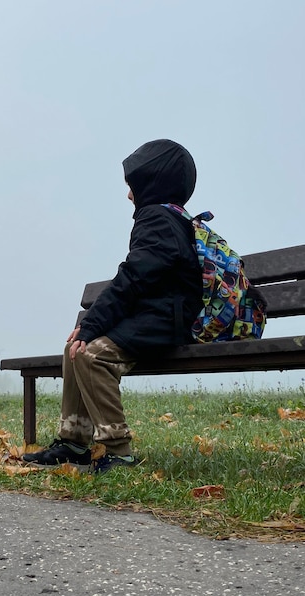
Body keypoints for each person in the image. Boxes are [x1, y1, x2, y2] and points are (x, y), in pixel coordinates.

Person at [23, 139, 203, 473]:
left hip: (166, 322)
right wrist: (91, 326)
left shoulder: (156, 219)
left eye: (132, 186)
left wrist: (93, 323)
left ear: (150, 183)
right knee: (74, 349)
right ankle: (74, 444)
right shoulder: (169, 219)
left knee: (93, 354)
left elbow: (133, 278)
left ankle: (119, 451)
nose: (129, 195)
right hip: (158, 316)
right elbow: (140, 281)